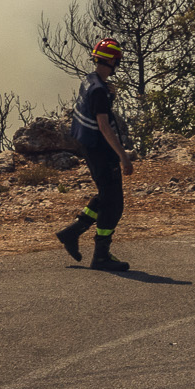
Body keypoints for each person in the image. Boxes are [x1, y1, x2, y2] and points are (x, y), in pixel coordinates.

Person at [55, 38, 134, 272]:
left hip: (89, 148)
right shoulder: (100, 90)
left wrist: (111, 96)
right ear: (112, 61)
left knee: (106, 196)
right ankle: (101, 256)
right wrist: (123, 156)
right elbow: (104, 126)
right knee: (114, 205)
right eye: (117, 60)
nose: (117, 64)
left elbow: (94, 107)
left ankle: (73, 231)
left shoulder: (91, 81)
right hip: (102, 151)